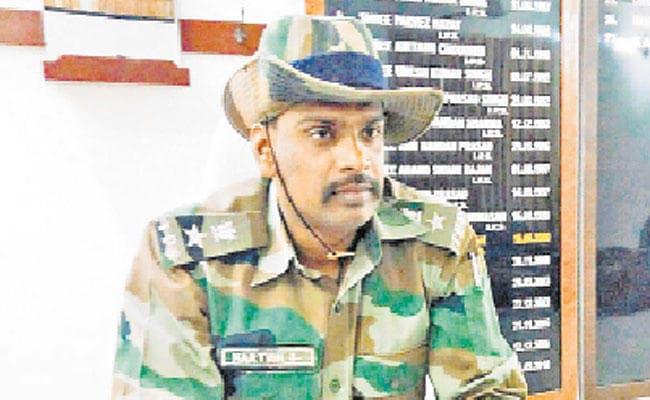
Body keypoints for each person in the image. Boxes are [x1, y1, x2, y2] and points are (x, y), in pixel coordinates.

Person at [111, 15, 527, 400]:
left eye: (370, 132)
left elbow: (488, 390)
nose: (357, 160)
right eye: (323, 133)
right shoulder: (187, 259)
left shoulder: (436, 243)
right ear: (265, 150)